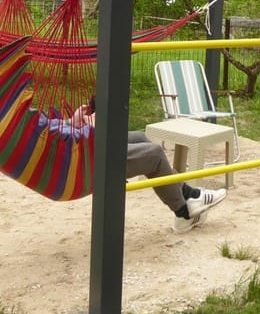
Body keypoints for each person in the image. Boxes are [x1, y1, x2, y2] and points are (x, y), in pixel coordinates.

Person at [69, 98, 228, 233]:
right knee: (155, 154)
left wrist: (71, 123)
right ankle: (184, 211)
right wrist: (90, 130)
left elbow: (55, 132)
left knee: (140, 137)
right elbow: (55, 140)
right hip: (83, 159)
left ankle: (188, 198)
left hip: (79, 145)